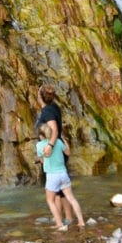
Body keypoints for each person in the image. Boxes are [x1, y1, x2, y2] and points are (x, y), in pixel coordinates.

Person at [35, 83, 75, 225]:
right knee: (60, 188)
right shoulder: (53, 107)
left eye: (38, 92)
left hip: (53, 151)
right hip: (57, 149)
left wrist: (50, 146)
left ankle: (64, 219)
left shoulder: (48, 111)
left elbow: (54, 130)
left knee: (56, 190)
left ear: (40, 96)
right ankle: (64, 218)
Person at [36, 125, 85, 230]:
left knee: (50, 201)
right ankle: (81, 221)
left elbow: (43, 160)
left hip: (52, 176)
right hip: (63, 174)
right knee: (71, 198)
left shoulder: (39, 145)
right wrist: (65, 142)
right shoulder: (58, 142)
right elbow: (68, 153)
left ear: (41, 135)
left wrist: (41, 159)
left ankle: (59, 224)